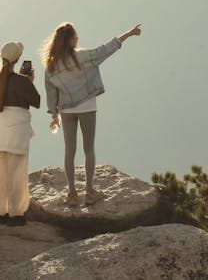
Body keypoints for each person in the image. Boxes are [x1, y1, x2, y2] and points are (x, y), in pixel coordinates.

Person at [43, 22, 142, 207]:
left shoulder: (51, 66)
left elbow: (50, 92)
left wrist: (54, 114)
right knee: (89, 149)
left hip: (66, 110)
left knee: (69, 151)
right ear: (71, 40)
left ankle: (72, 193)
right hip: (87, 106)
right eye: (75, 37)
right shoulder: (83, 56)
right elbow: (105, 50)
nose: (78, 39)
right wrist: (128, 34)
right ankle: (89, 192)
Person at [0, 41, 41, 226]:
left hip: (0, 130)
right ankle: (16, 214)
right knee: (16, 173)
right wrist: (29, 81)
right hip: (17, 130)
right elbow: (36, 100)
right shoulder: (21, 81)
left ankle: (1, 212)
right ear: (18, 59)